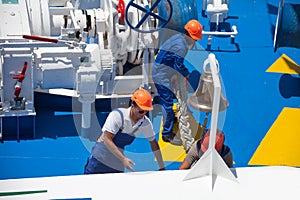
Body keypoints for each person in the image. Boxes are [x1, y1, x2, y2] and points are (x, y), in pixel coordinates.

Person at [84, 88, 165, 174]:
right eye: (141, 111)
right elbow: (107, 140)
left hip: (117, 158)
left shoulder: (145, 123)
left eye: (146, 111)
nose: (144, 114)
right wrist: (123, 159)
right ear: (133, 106)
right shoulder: (117, 116)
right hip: (100, 157)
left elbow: (154, 144)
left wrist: (162, 167)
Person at [152, 19, 203, 145]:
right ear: (191, 37)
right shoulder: (181, 47)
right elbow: (178, 65)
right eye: (195, 39)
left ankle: (163, 109)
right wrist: (187, 75)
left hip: (161, 69)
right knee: (168, 105)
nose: (195, 41)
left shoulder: (178, 37)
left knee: (166, 98)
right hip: (161, 75)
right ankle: (167, 134)